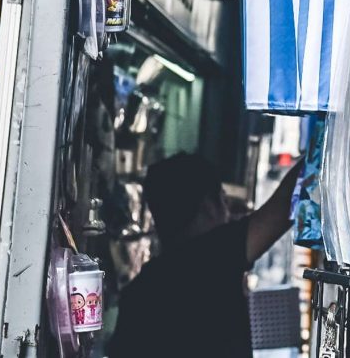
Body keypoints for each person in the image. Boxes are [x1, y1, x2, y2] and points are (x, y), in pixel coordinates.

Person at [108, 152, 303, 357]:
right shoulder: (210, 257)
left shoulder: (137, 294)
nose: (228, 213)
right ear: (209, 206)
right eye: (223, 200)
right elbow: (286, 203)